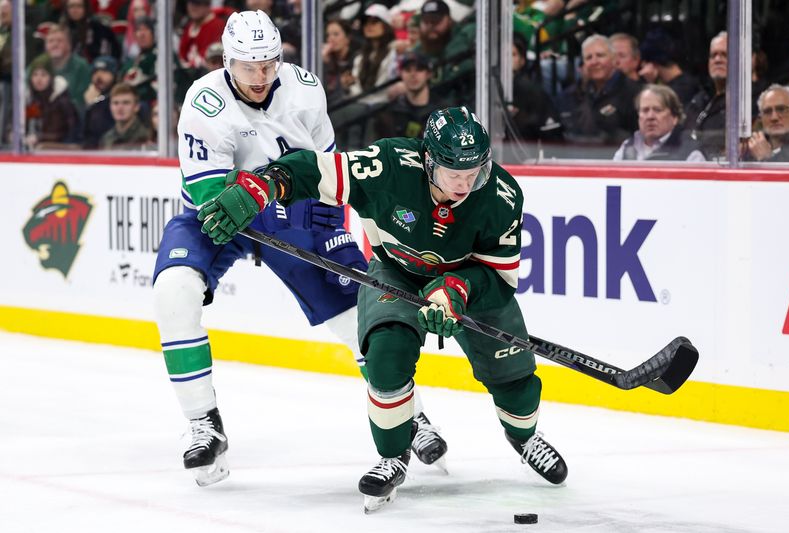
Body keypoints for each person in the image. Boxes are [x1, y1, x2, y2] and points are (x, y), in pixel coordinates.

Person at [197, 106, 569, 512]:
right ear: (428, 161)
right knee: (385, 357)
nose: (465, 185)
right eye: (454, 174)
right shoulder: (389, 165)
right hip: (397, 272)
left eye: (475, 172)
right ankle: (393, 456)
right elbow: (313, 170)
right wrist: (262, 188)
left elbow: (499, 279)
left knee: (512, 372)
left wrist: (455, 290)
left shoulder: (501, 195)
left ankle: (525, 437)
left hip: (468, 285)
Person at [152, 10, 447, 488]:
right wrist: (263, 191)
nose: (261, 76)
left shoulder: (305, 88)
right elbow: (212, 198)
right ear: (228, 62)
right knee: (173, 292)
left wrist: (331, 226)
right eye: (249, 66)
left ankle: (410, 417)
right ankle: (203, 423)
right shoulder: (203, 103)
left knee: (355, 317)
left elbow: (327, 170)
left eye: (269, 64)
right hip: (216, 210)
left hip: (290, 206)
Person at [557, 34, 640, 154]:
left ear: (614, 59)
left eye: (600, 55)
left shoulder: (634, 92)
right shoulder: (571, 95)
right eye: (589, 58)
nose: (594, 62)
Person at [613, 84, 705, 161]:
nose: (650, 117)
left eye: (657, 110)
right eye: (645, 110)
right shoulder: (627, 147)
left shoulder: (690, 153)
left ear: (674, 117)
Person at [370, 51, 441, 139]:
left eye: (419, 69)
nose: (413, 75)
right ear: (401, 74)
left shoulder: (442, 111)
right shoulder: (389, 114)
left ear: (429, 74)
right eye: (407, 70)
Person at [685, 31, 727, 160]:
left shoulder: (749, 100)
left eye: (725, 55)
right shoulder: (699, 98)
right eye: (713, 55)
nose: (717, 60)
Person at [744, 84, 789, 162]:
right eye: (767, 111)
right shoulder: (751, 150)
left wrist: (767, 159)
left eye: (781, 109)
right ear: (760, 119)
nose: (774, 118)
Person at [98, 82, 151, 149]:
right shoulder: (106, 139)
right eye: (115, 103)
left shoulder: (146, 136)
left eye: (126, 103)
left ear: (136, 107)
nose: (120, 108)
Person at [82, 55, 118, 148]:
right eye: (95, 72)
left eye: (104, 72)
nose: (99, 76)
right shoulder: (90, 95)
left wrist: (94, 104)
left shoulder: (118, 98)